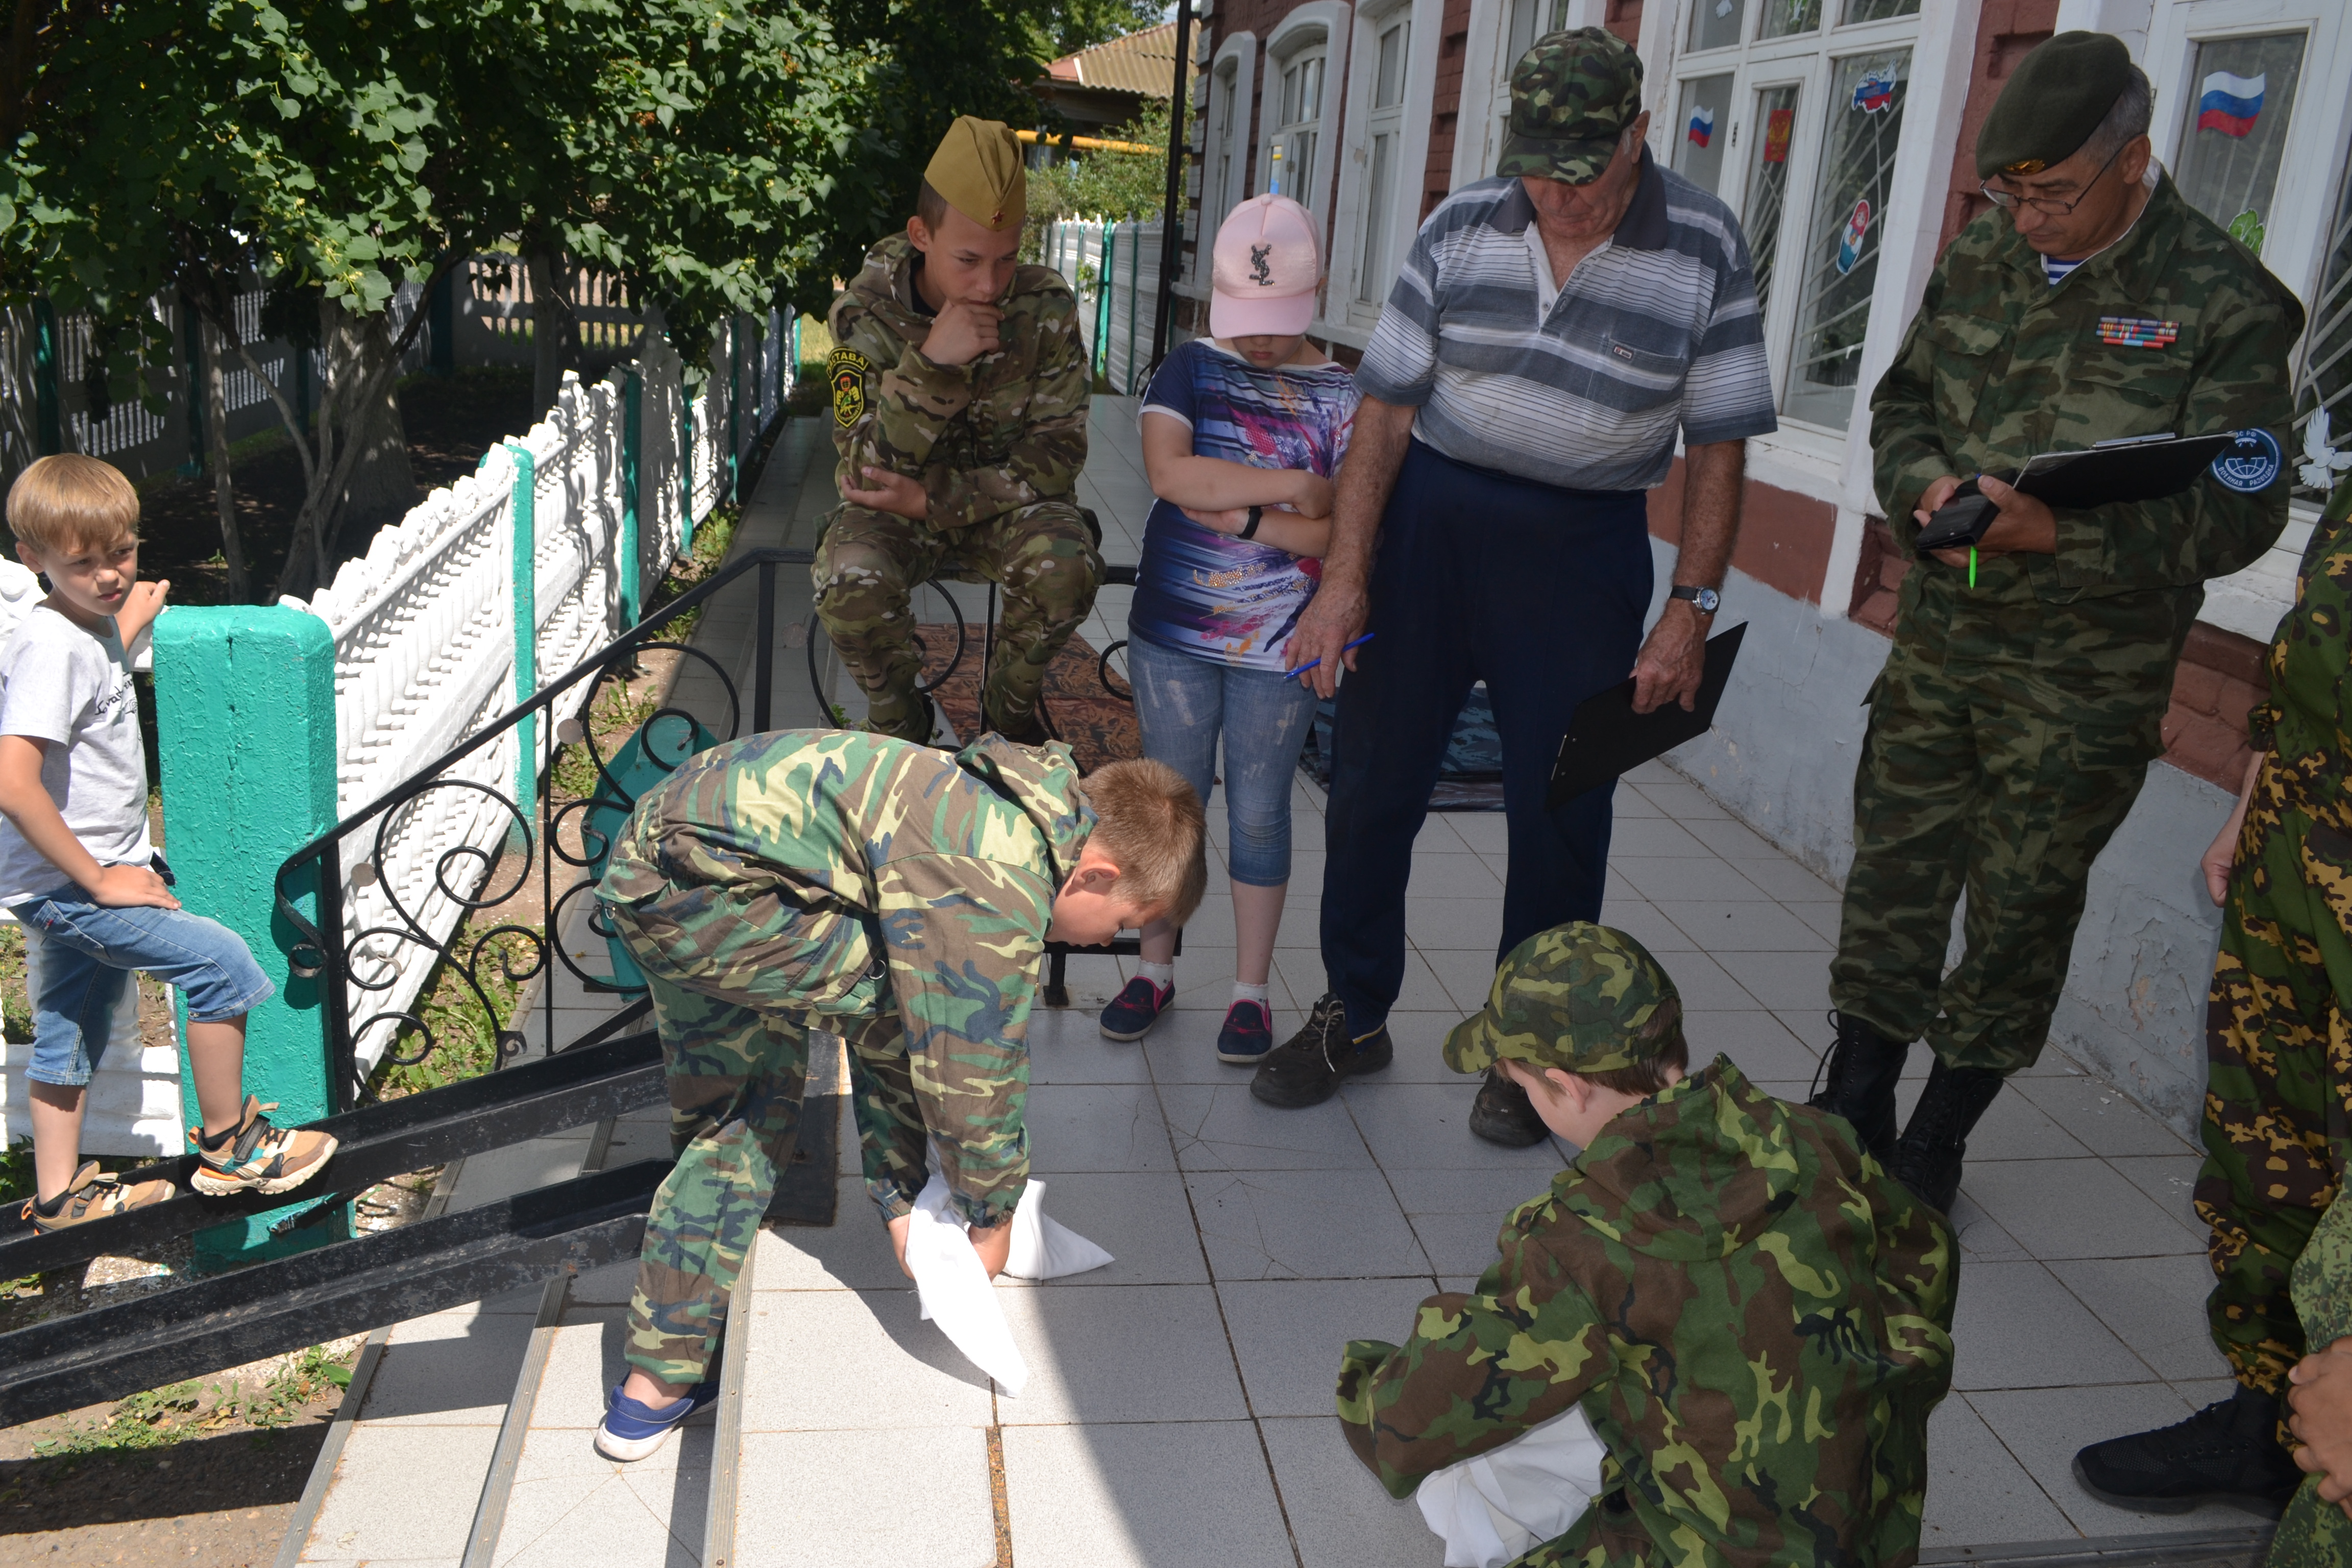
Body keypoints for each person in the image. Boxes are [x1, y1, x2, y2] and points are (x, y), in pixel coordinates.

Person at [1810, 31, 2301, 1216]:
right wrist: (1921, 484)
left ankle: (1937, 1137)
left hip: (2082, 686)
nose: (2026, 220)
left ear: (2133, 160)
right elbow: (1903, 406)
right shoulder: (1986, 256)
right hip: (1941, 651)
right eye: (2009, 195)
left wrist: (2056, 538)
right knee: (1893, 882)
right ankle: (1855, 1101)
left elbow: (2243, 513)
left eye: (2053, 196)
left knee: (2019, 915)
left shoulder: (2226, 303)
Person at [1259, 27, 1775, 1145]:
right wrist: (1345, 577)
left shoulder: (1703, 245)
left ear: (1638, 136)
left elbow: (1720, 442)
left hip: (1585, 545)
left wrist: (1690, 609)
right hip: (1434, 524)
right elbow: (1383, 413)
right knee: (1371, 783)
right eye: (1538, 170)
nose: (1557, 196)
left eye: (1581, 172)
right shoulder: (1461, 224)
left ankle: (1532, 1049)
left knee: (1562, 805)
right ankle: (1354, 1009)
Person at [589, 729, 1205, 1460]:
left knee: (737, 1119)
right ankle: (912, 1208)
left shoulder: (1016, 800)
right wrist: (992, 1217)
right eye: (1126, 924)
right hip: (707, 900)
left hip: (658, 872)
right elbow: (972, 1074)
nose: (1107, 945)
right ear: (1096, 875)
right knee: (917, 1009)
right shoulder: (998, 881)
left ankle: (653, 1388)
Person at [1335, 923, 1956, 1564]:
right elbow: (1930, 1253)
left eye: (1525, 1087)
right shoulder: (1811, 1135)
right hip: (1877, 1530)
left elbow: (1417, 1418)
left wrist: (1362, 1386)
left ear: (1568, 1085)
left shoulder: (1578, 1241)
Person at [2073, 476, 2352, 1512]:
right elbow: (2312, 645)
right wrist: (2253, 800)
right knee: (2266, 1142)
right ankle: (2267, 1424)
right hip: (2298, 830)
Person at [2, 455, 339, 1232]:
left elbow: (90, 679)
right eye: (83, 564)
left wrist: (128, 624)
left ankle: (59, 1200)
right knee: (222, 965)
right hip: (72, 883)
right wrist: (101, 881)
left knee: (68, 1031)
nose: (109, 575)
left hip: (65, 879)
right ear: (32, 559)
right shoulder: (51, 646)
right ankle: (230, 1145)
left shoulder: (80, 630)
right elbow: (13, 782)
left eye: (121, 553)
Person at [1093, 193, 1356, 1064]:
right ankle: (1154, 969)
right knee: (1169, 805)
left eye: (1279, 318)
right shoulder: (1187, 369)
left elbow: (1342, 534)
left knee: (1260, 810)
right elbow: (1173, 478)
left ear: (1316, 291)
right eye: (1246, 316)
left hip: (1282, 641)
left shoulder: (1347, 395)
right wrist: (1292, 489)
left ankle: (1249, 992)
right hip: (1173, 632)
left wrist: (1243, 514)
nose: (1262, 339)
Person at [814, 115, 1102, 746]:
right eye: (968, 260)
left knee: (1066, 566)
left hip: (1004, 515)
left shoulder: (1045, 307)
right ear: (921, 234)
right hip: (896, 515)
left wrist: (936, 500)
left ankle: (1007, 717)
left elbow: (1059, 453)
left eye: (1007, 259)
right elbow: (860, 468)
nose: (989, 285)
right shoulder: (859, 318)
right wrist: (931, 366)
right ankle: (901, 724)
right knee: (848, 575)